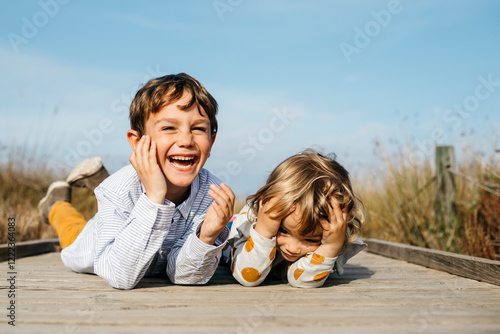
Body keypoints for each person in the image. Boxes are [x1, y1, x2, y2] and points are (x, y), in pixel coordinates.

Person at [38, 73, 235, 290]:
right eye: (169, 128)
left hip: (130, 215)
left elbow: (185, 276)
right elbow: (120, 276)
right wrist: (154, 197)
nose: (186, 141)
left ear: (211, 140)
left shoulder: (210, 194)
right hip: (91, 243)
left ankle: (97, 181)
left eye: (198, 129)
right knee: (74, 229)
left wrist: (206, 237)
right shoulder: (118, 190)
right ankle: (56, 204)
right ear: (137, 141)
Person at [226, 149, 366, 288]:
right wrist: (264, 231)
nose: (292, 248)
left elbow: (301, 280)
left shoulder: (335, 232)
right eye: (283, 230)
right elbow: (248, 278)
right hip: (228, 233)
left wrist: (329, 247)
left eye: (311, 239)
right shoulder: (252, 218)